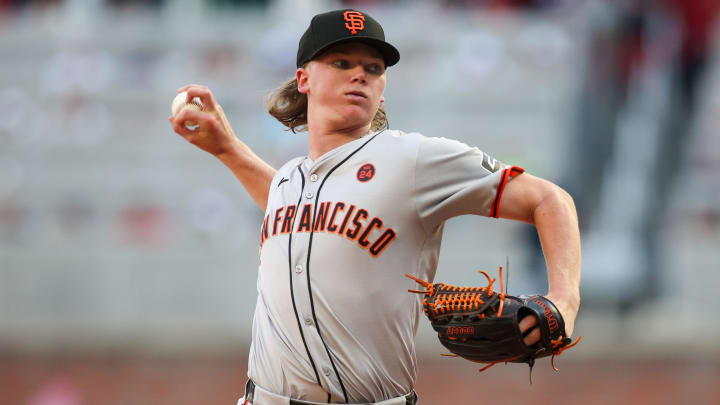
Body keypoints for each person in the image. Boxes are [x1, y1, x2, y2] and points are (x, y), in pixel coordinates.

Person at [169, 9, 581, 405]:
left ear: (383, 86)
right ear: (304, 78)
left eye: (373, 67)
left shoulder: (414, 160)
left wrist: (565, 300)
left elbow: (549, 199)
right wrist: (228, 149)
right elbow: (297, 209)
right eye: (341, 61)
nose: (360, 75)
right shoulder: (290, 179)